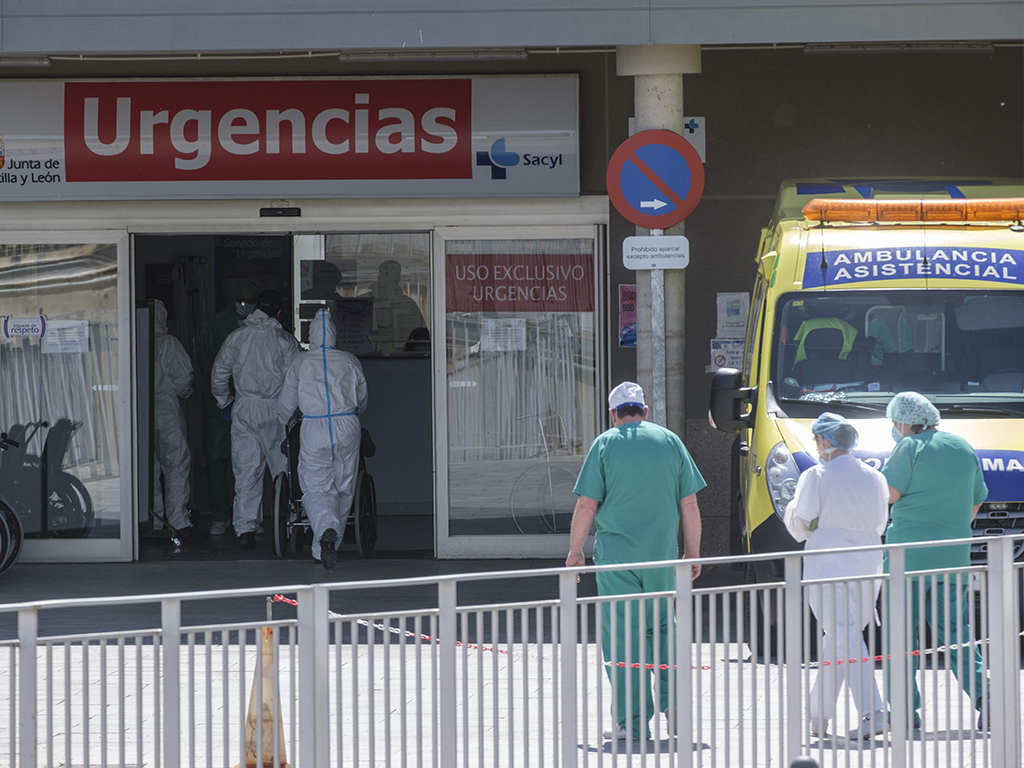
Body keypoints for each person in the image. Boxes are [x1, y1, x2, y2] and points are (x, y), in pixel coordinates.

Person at [566, 382, 705, 742]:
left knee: (624, 640)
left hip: (617, 562)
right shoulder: (670, 441)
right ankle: (675, 711)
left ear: (613, 414)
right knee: (663, 631)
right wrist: (693, 552)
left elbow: (586, 505)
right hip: (661, 559)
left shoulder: (604, 445)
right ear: (645, 411)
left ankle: (631, 724)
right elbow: (689, 504)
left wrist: (574, 552)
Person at [882, 391, 990, 730]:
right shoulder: (962, 447)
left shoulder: (908, 448)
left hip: (907, 559)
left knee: (900, 636)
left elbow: (889, 494)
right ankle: (987, 699)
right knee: (957, 633)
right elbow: (976, 502)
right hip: (952, 555)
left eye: (894, 423)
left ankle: (903, 713)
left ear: (903, 421)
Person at [783, 413, 888, 740]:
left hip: (829, 563)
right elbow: (880, 523)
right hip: (868, 561)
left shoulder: (816, 475)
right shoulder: (875, 477)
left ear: (825, 441)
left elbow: (800, 523)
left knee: (843, 634)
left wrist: (801, 518)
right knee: (842, 637)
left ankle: (874, 711)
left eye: (817, 440)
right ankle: (818, 713)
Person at [279, 308, 368, 568]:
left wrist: (283, 420)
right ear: (334, 335)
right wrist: (353, 412)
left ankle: (325, 530)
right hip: (347, 424)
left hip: (314, 425)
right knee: (344, 486)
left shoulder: (301, 361)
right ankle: (328, 544)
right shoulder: (349, 359)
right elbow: (362, 398)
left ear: (311, 335)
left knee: (316, 486)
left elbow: (286, 403)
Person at [212, 290, 300, 549]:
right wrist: (293, 409)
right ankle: (289, 522)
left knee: (246, 470)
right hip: (276, 410)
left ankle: (246, 529)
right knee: (283, 470)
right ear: (280, 313)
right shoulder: (284, 340)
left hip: (244, 408)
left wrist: (224, 402)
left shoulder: (236, 338)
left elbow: (218, 374)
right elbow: (296, 380)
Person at [200, 281, 259, 535]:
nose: (245, 306)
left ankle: (249, 519)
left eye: (250, 301)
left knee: (253, 462)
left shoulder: (264, 327)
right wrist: (222, 400)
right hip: (221, 404)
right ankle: (221, 515)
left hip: (251, 400)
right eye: (242, 301)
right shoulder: (218, 324)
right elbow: (208, 359)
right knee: (217, 457)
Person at [152, 300, 195, 536]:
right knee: (176, 464)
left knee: (148, 468)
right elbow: (184, 379)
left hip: (138, 409)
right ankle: (178, 521)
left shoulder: (133, 339)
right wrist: (186, 394)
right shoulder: (168, 343)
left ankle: (154, 520)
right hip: (166, 408)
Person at [361, 260, 425, 354]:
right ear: (380, 275)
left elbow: (419, 335)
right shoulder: (363, 301)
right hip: (368, 354)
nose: (391, 278)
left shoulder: (408, 304)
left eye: (395, 274)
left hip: (400, 356)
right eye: (387, 273)